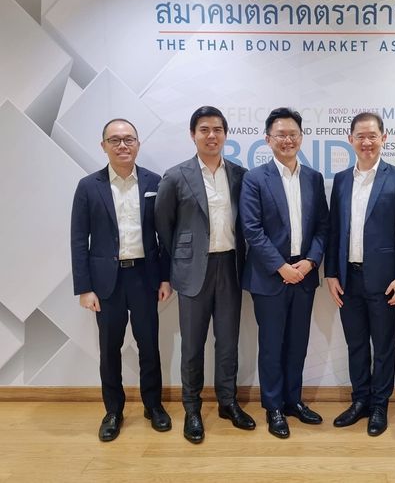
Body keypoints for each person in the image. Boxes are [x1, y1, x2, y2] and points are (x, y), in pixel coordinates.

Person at [155, 106, 255, 444]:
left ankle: (228, 402)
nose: (211, 135)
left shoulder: (240, 175)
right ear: (193, 135)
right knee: (192, 345)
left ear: (225, 134)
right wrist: (178, 262)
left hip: (230, 266)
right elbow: (163, 226)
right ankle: (192, 409)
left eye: (217, 130)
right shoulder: (175, 176)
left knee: (228, 341)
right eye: (204, 130)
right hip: (192, 271)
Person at [70, 118, 172, 442]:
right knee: (109, 349)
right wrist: (85, 288)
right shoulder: (89, 186)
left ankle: (153, 405)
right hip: (106, 283)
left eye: (129, 139)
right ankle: (113, 411)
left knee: (149, 346)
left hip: (144, 277)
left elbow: (164, 236)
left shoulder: (155, 182)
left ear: (138, 144)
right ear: (103, 146)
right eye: (115, 140)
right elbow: (78, 240)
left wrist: (165, 278)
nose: (122, 145)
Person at [325, 112, 395, 437]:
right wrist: (331, 273)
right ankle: (360, 400)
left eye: (372, 136)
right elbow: (334, 230)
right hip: (347, 279)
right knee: (356, 345)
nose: (366, 142)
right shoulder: (341, 180)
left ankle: (380, 405)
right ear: (350, 139)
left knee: (384, 346)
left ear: (383, 138)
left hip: (385, 281)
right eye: (360, 136)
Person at [241, 108, 329, 439]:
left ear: (301, 138)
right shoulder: (254, 178)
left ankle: (294, 401)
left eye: (293, 134)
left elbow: (323, 226)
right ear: (268, 139)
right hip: (270, 276)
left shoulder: (313, 178)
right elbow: (252, 229)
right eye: (280, 134)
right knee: (271, 345)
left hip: (304, 273)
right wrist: (281, 267)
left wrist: (310, 262)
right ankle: (273, 407)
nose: (287, 140)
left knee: (297, 343)